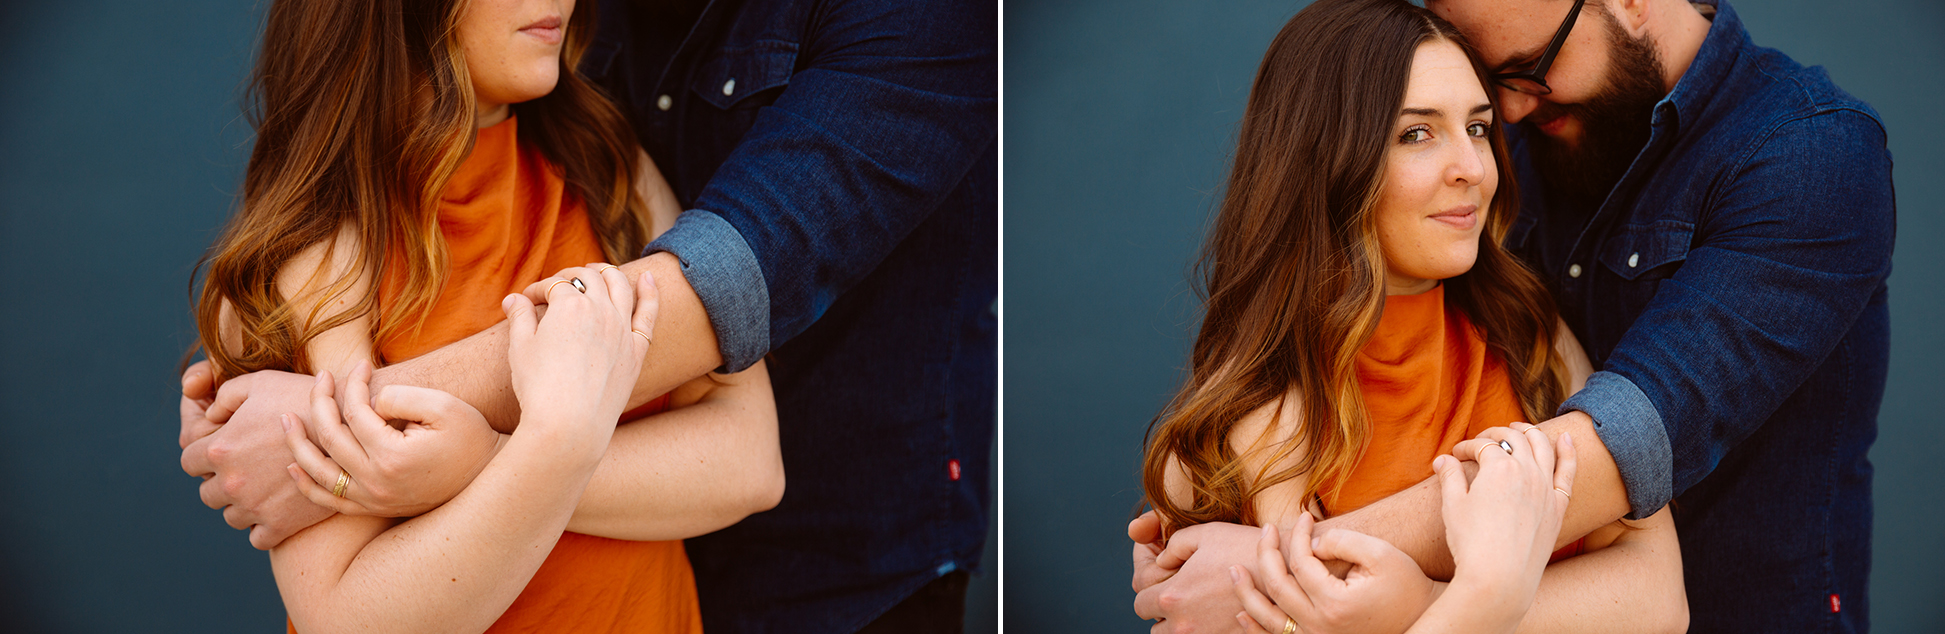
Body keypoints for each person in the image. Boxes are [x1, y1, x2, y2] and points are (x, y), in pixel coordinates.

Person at [180, 0, 997, 630]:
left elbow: (749, 462)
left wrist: (500, 455)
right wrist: (549, 448)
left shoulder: (604, 166)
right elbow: (349, 615)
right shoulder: (314, 252)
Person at [1132, 0, 1893, 632]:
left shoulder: (1807, 153)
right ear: (1329, 161)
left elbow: (1624, 448)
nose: (1494, 142)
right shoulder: (1266, 415)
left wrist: (1277, 575)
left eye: (1483, 115)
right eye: (1422, 130)